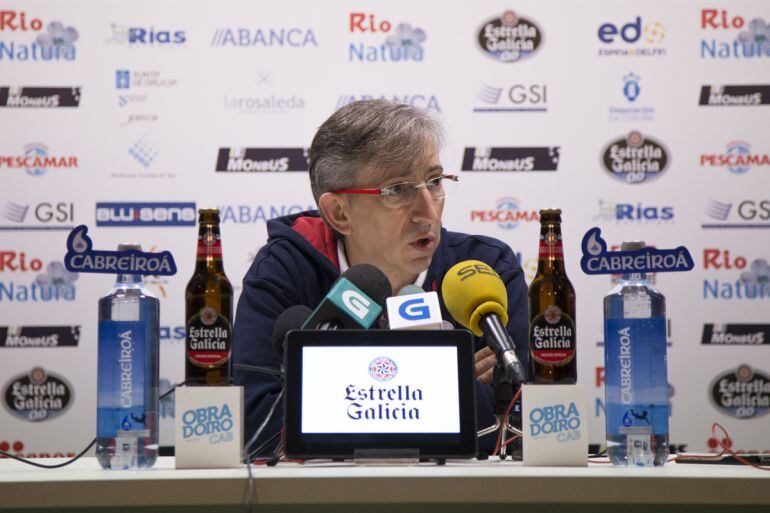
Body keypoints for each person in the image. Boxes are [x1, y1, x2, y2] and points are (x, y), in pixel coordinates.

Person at [233, 99, 529, 456]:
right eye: (397, 190)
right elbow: (257, 427)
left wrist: (329, 394)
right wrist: (444, 389)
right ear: (339, 213)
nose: (428, 211)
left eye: (434, 181)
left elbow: (518, 424)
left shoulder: (484, 270)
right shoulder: (285, 270)